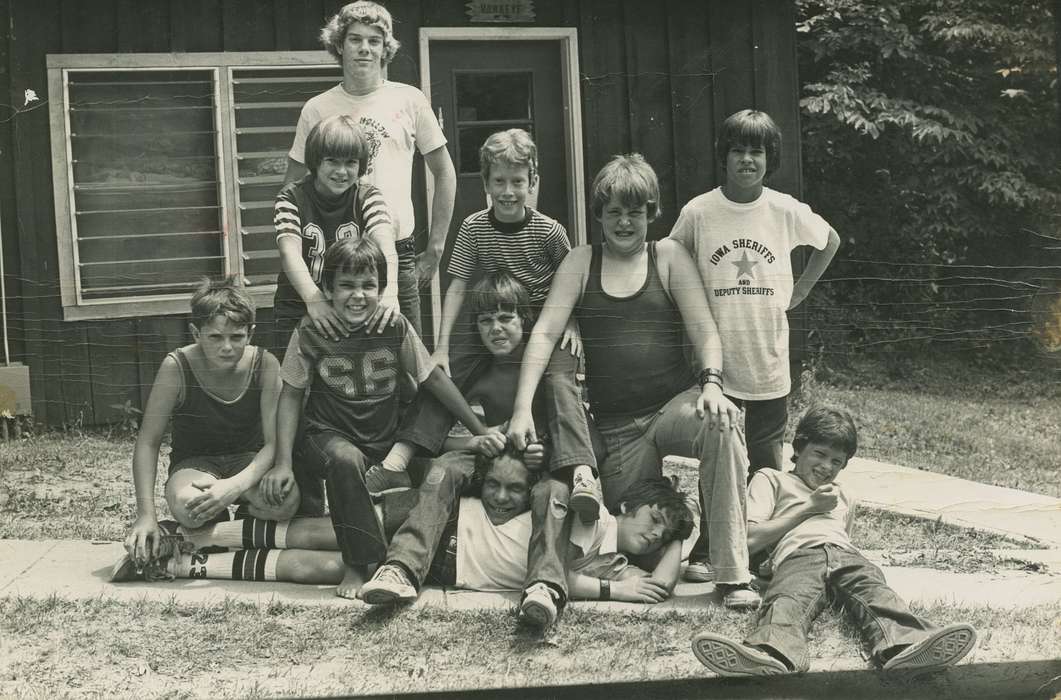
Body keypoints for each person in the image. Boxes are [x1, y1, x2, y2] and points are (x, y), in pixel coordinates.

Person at [507, 154, 761, 610]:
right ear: (599, 215)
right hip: (618, 428)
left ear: (650, 213)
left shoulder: (667, 257)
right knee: (629, 539)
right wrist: (523, 407)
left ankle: (732, 574)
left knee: (724, 424)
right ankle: (692, 529)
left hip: (672, 407)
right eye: (614, 212)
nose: (625, 222)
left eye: (635, 212)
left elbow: (704, 330)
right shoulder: (582, 261)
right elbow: (545, 333)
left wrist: (712, 385)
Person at [385, 128, 601, 522]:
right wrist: (444, 346)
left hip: (541, 325)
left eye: (518, 182)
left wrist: (572, 323)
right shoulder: (473, 227)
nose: (508, 191)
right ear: (485, 183)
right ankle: (404, 453)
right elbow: (458, 285)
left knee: (557, 379)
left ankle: (580, 469)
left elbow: (573, 282)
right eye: (498, 181)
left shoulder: (550, 231)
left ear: (532, 183)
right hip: (495, 318)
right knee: (441, 375)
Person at [266, 236, 497, 598]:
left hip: (383, 436)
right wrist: (281, 463)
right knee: (346, 460)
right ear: (327, 288)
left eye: (368, 285)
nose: (358, 295)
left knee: (441, 477)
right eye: (346, 285)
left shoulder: (393, 325)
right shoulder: (311, 330)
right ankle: (360, 565)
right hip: (326, 434)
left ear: (382, 288)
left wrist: (478, 429)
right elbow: (291, 395)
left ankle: (412, 544)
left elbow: (432, 378)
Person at [667, 110, 840, 583]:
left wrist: (799, 292)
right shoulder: (699, 212)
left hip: (768, 365)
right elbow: (670, 262)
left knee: (765, 468)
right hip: (717, 369)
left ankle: (760, 551)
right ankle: (708, 548)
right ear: (723, 156)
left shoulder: (784, 210)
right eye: (738, 150)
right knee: (720, 465)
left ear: (770, 159)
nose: (747, 159)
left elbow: (830, 241)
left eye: (757, 151)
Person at [691, 406, 978, 676]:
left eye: (836, 461)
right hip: (798, 556)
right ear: (799, 448)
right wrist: (808, 508)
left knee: (878, 596)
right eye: (819, 453)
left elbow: (843, 536)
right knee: (787, 601)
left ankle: (907, 648)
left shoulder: (843, 495)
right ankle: (772, 654)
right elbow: (748, 541)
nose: (827, 466)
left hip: (847, 555)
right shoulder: (772, 480)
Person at [285, 0, 457, 334]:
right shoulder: (317, 108)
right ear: (339, 45)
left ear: (385, 49)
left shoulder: (409, 100)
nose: (365, 49)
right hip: (335, 257)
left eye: (374, 41)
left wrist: (436, 247)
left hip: (396, 255)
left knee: (408, 362)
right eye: (355, 39)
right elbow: (292, 187)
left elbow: (444, 171)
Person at [358, 447, 694, 613]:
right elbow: (557, 573)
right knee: (329, 534)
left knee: (328, 565)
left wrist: (678, 531)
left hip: (449, 563)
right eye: (654, 520)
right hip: (449, 519)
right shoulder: (589, 516)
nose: (655, 536)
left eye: (662, 537)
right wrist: (614, 592)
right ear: (626, 506)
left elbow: (662, 586)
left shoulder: (616, 564)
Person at [114, 277, 296, 581]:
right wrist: (146, 515)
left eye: (237, 337)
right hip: (196, 465)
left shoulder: (265, 364)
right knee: (189, 505)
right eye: (215, 337)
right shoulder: (177, 366)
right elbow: (148, 442)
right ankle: (236, 536)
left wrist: (233, 487)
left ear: (251, 332)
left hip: (248, 463)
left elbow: (273, 443)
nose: (227, 347)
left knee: (286, 502)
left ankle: (198, 538)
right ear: (196, 333)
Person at [273, 113, 398, 359]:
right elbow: (289, 252)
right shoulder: (292, 197)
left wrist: (391, 291)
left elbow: (385, 242)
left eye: (351, 162)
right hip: (300, 301)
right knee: (291, 378)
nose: (342, 172)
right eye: (332, 160)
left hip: (352, 300)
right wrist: (313, 299)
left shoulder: (367, 196)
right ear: (316, 161)